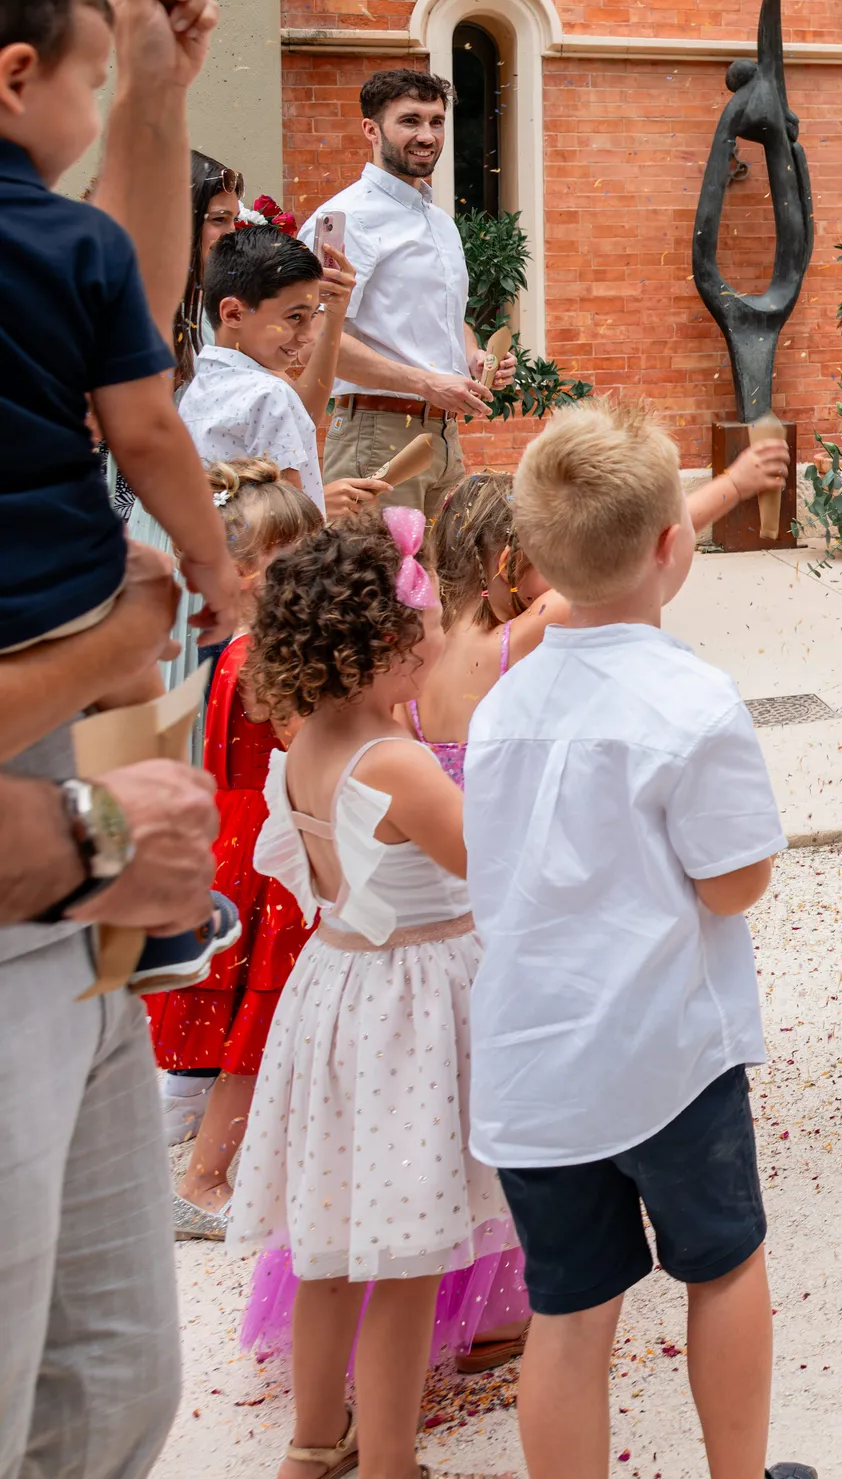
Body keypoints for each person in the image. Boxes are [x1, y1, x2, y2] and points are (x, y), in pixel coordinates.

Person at [465, 401, 812, 1479]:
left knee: (569, 1310)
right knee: (724, 1266)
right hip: (668, 1055)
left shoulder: (502, 704)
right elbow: (732, 884)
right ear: (675, 546)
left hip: (534, 1066)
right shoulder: (694, 702)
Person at [0, 0, 223, 1479]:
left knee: (113, 1379)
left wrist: (150, 87)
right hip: (41, 837)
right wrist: (202, 578)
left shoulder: (53, 249)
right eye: (82, 83)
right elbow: (139, 404)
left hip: (63, 900)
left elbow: (113, 331)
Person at [224, 509, 513, 1479]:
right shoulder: (395, 762)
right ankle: (391, 1461)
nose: (443, 631)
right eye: (429, 615)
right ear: (387, 645)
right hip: (409, 1011)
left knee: (334, 1242)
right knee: (406, 1256)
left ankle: (314, 1443)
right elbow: (485, 859)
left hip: (338, 989)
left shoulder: (312, 742)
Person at [0, 0, 240, 673]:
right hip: (45, 597)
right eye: (92, 82)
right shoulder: (74, 242)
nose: (96, 106)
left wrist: (154, 78)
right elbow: (142, 429)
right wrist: (208, 558)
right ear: (17, 79)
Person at [152, 461, 324, 1230]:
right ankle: (204, 1179)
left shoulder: (234, 647)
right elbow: (300, 742)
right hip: (266, 848)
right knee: (255, 1034)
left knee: (241, 1024)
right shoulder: (271, 657)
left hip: (232, 838)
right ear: (248, 572)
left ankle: (214, 1154)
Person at [404, 441, 786, 782]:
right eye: (551, 557)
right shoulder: (522, 635)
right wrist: (733, 485)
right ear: (508, 564)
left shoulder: (415, 656)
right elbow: (637, 553)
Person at [300, 69, 514, 519]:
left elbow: (448, 318)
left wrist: (473, 357)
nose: (427, 135)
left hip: (443, 436)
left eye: (436, 122)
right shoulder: (344, 218)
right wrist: (426, 382)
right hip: (374, 431)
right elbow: (313, 335)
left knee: (442, 583)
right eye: (410, 121)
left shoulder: (439, 221)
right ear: (371, 130)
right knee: (375, 586)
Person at [180, 227, 382, 519]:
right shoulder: (269, 394)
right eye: (294, 317)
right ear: (233, 313)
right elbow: (288, 523)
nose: (305, 335)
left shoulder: (196, 392)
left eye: (311, 317)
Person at [173, 150, 244, 388]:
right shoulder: (130, 309)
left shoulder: (210, 307)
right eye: (219, 220)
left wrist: (333, 312)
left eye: (233, 220)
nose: (231, 233)